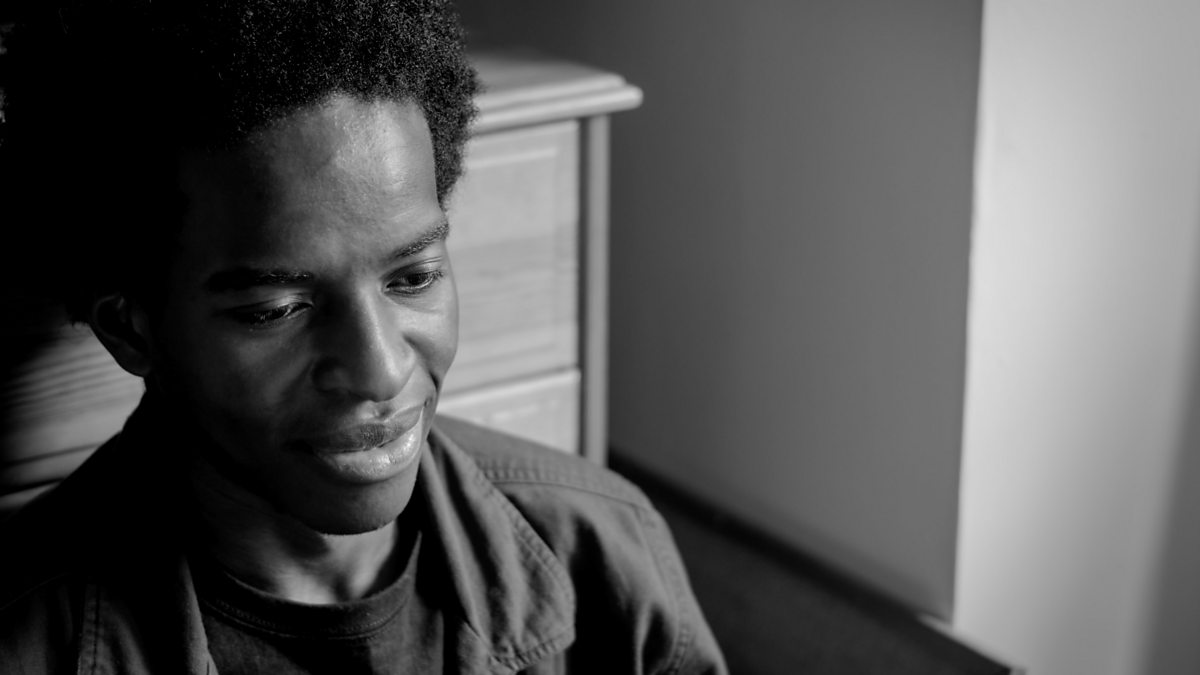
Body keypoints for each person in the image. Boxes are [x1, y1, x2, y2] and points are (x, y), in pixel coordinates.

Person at [0, 2, 727, 672]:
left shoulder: (605, 547)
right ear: (131, 329)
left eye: (414, 277)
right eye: (276, 309)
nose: (381, 369)